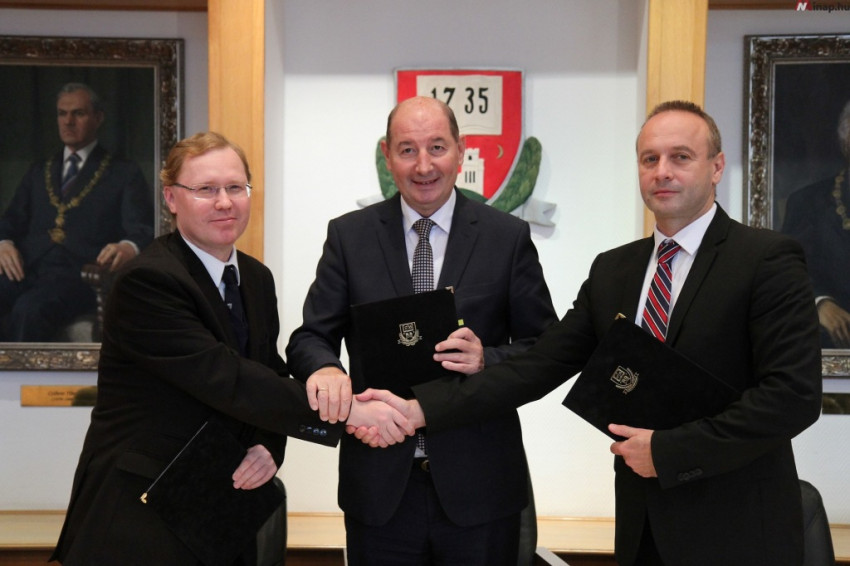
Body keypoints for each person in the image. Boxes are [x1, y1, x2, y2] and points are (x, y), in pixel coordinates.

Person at [357, 101, 823, 566]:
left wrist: (668, 451)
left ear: (716, 166)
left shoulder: (766, 260)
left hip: (740, 531)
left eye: (680, 157)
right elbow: (537, 365)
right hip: (643, 529)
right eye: (650, 159)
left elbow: (792, 397)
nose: (662, 171)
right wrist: (421, 410)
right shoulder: (614, 270)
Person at [51, 132, 410, 565]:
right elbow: (224, 377)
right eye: (206, 189)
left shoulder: (255, 278)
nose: (224, 202)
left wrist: (268, 445)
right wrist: (349, 411)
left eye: (235, 187)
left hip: (220, 513)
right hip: (139, 518)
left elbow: (269, 373)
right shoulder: (147, 281)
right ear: (171, 198)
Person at [286, 96, 557, 565]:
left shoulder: (506, 237)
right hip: (380, 487)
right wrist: (326, 369)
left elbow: (546, 350)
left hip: (480, 487)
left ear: (461, 151)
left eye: (437, 147)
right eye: (407, 150)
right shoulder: (349, 236)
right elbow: (309, 338)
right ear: (387, 155)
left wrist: (487, 358)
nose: (424, 165)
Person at [0, 82, 155, 342]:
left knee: (29, 310)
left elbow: (141, 228)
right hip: (29, 267)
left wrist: (128, 247)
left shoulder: (123, 172)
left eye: (78, 113)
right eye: (62, 113)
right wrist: (3, 243)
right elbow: (11, 220)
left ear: (98, 118)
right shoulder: (40, 170)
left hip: (81, 275)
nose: (68, 122)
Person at [782, 99, 850, 348]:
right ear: (845, 143)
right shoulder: (807, 203)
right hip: (828, 347)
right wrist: (820, 303)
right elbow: (787, 272)